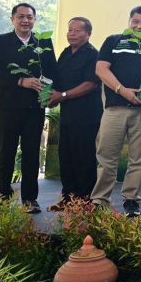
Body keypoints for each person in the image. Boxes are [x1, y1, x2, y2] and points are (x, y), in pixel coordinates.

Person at [91, 6, 141, 217]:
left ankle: (131, 201)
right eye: (135, 21)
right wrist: (122, 90)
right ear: (129, 22)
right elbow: (101, 69)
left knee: (139, 159)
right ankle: (100, 200)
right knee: (106, 157)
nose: (139, 26)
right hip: (115, 109)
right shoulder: (114, 41)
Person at [0, 2, 57, 214]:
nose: (25, 20)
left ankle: (30, 199)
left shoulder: (43, 42)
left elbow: (52, 70)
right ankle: (2, 200)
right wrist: (20, 81)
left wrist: (49, 93)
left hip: (35, 107)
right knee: (6, 153)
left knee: (32, 154)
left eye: (29, 17)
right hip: (8, 107)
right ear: (13, 19)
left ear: (35, 20)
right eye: (21, 17)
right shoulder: (0, 41)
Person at [45, 17, 103, 211]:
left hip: (87, 116)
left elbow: (91, 84)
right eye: (70, 30)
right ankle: (68, 198)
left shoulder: (93, 54)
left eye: (77, 31)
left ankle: (85, 201)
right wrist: (48, 94)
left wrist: (62, 95)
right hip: (67, 116)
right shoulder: (65, 53)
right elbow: (58, 81)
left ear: (88, 34)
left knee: (84, 158)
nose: (72, 34)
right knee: (66, 158)